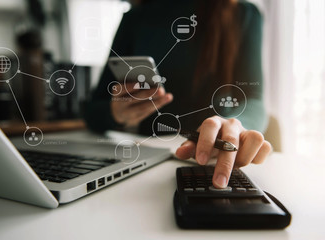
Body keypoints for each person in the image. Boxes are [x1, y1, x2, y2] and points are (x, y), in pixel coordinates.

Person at [85, 0, 272, 189]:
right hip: (145, 166)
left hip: (209, 160)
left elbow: (253, 97)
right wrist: (114, 113)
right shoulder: (135, 18)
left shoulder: (243, 13)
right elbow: (92, 110)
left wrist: (236, 127)